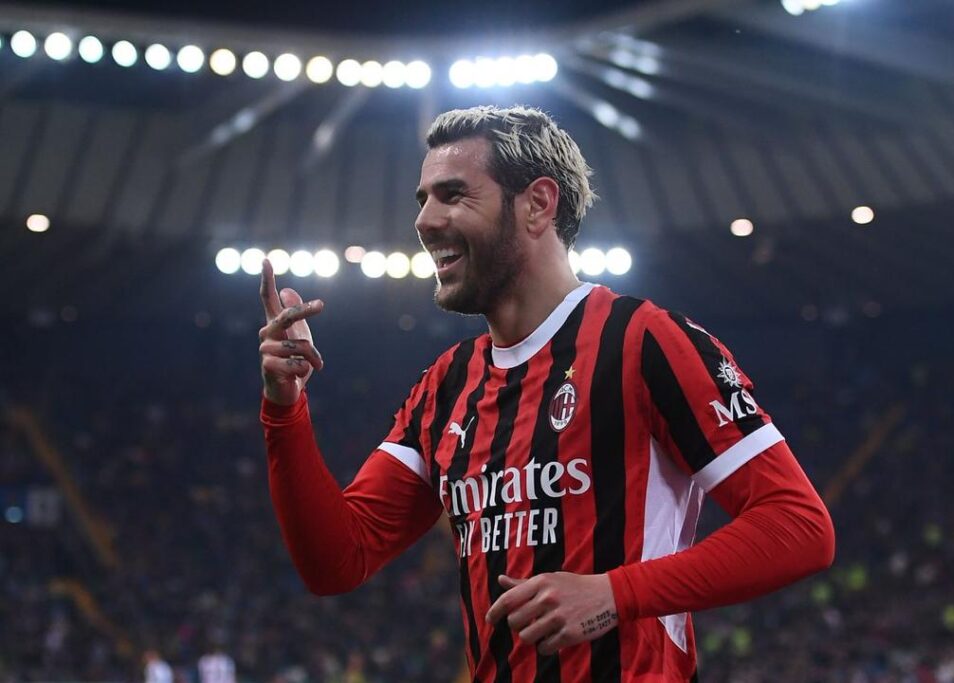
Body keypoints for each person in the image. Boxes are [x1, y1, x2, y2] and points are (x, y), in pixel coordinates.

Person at [259, 105, 835, 682]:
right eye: (423, 200)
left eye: (453, 195)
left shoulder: (644, 342)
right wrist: (286, 409)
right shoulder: (446, 384)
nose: (426, 221)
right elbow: (338, 560)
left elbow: (800, 526)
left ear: (537, 204)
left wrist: (615, 593)